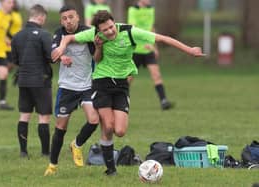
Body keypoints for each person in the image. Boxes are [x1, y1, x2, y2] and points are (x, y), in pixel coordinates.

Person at [52, 10, 205, 175]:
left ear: (114, 23)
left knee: (120, 130)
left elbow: (162, 38)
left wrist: (189, 50)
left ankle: (97, 151)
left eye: (111, 27)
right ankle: (111, 169)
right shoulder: (94, 34)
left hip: (121, 85)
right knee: (108, 126)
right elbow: (68, 37)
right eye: (105, 30)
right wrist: (61, 48)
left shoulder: (129, 31)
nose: (109, 31)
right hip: (101, 83)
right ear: (98, 30)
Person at [44, 5, 99, 176]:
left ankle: (77, 144)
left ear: (78, 17)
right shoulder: (59, 33)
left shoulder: (88, 33)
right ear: (61, 21)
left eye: (71, 17)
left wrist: (99, 46)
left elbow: (98, 56)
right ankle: (52, 166)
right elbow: (53, 54)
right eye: (64, 18)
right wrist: (62, 56)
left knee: (94, 120)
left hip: (87, 86)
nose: (68, 21)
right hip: (67, 88)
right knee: (61, 128)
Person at [11, 4, 53, 158]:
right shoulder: (44, 35)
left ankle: (23, 152)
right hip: (41, 81)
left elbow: (14, 60)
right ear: (40, 17)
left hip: (23, 80)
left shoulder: (17, 36)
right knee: (44, 117)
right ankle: (45, 153)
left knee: (24, 115)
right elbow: (51, 57)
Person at [128, 0, 174, 110]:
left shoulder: (151, 9)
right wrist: (145, 43)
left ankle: (163, 101)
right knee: (128, 79)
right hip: (136, 50)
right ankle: (120, 100)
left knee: (156, 75)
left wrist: (155, 47)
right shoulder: (133, 10)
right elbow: (133, 29)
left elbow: (152, 29)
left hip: (149, 49)